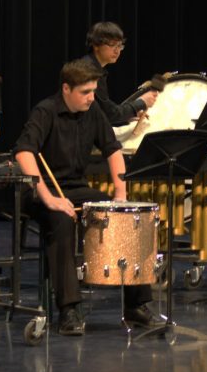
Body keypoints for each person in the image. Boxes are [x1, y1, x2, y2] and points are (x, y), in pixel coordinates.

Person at [14, 59, 157, 335]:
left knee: (126, 216)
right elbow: (24, 153)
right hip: (41, 190)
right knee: (61, 220)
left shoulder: (92, 112)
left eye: (93, 91)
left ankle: (136, 306)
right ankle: (68, 309)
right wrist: (48, 198)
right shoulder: (45, 111)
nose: (92, 98)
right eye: (85, 92)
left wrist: (120, 194)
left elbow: (113, 151)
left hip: (76, 188)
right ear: (66, 89)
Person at [78, 22, 158, 126]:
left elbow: (103, 113)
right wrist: (141, 102)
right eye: (112, 45)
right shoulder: (89, 69)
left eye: (119, 46)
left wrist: (127, 117)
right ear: (95, 45)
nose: (117, 51)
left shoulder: (91, 65)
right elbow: (109, 113)